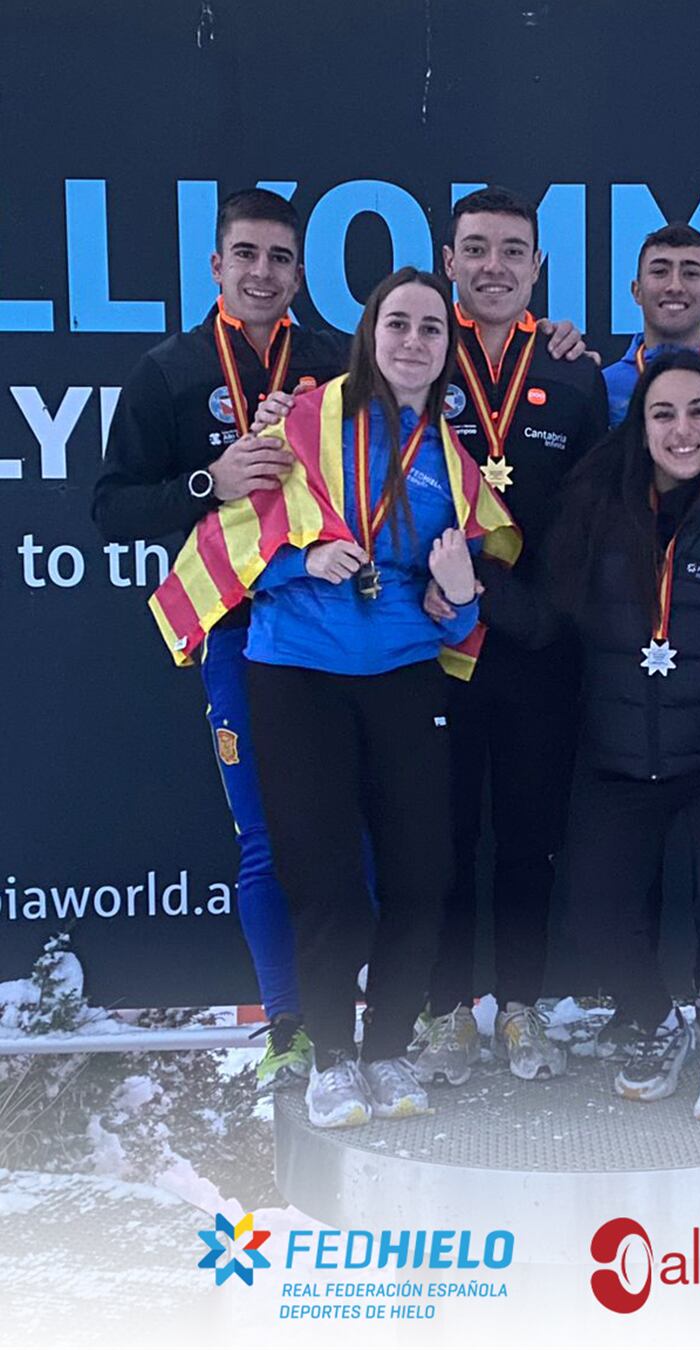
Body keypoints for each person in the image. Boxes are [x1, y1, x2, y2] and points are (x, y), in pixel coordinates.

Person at [148, 267, 520, 1128]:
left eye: (432, 328)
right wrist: (296, 561)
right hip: (296, 675)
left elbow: (456, 594)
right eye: (399, 324)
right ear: (370, 332)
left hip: (402, 675)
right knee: (325, 882)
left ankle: (388, 1049)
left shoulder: (445, 453)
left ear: (447, 345)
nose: (415, 341)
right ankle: (332, 1060)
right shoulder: (305, 422)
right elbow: (232, 533)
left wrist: (461, 596)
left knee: (422, 872)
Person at [490, 350, 700, 1121]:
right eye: (663, 413)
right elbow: (545, 622)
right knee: (594, 914)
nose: (682, 429)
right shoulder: (598, 506)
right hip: (615, 760)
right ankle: (661, 1023)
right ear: (640, 425)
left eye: (699, 412)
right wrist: (476, 593)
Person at [92, 188, 347, 1090]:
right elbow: (112, 507)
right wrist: (213, 476)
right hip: (238, 633)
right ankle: (289, 1027)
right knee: (267, 839)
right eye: (247, 255)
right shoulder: (167, 372)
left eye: (280, 258)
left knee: (369, 826)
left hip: (342, 629)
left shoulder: (339, 362)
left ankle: (384, 1019)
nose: (263, 273)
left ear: (301, 270)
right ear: (217, 265)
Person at [414, 185, 610, 1085]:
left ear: (537, 267)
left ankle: (523, 1006)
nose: (494, 266)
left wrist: (538, 616)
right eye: (476, 249)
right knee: (443, 834)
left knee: (529, 833)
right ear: (449, 260)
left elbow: (596, 522)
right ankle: (450, 1009)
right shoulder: (410, 353)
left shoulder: (575, 374)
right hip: (435, 638)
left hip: (541, 646)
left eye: (513, 251)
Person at [604, 222, 700, 438]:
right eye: (660, 272)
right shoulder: (605, 386)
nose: (675, 286)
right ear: (636, 291)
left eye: (690, 273)